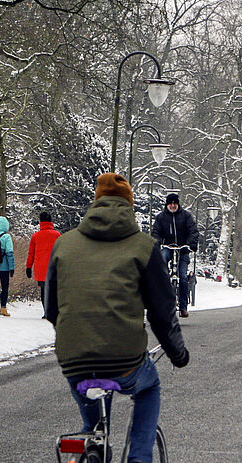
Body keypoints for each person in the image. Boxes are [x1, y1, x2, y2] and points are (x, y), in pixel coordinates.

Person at [45, 173, 188, 463]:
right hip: (125, 361)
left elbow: (50, 307)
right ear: (129, 204)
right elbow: (162, 312)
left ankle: (92, 447)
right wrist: (178, 353)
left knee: (92, 426)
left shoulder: (64, 244)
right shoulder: (144, 247)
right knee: (149, 388)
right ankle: (138, 457)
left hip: (75, 360)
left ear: (96, 202)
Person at [151, 192, 200, 317]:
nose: (172, 205)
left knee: (183, 277)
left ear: (178, 204)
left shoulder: (186, 216)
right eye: (170, 203)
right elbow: (156, 232)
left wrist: (191, 243)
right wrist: (157, 243)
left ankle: (183, 307)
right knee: (162, 262)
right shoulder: (161, 217)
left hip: (183, 249)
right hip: (167, 247)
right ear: (167, 205)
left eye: (174, 203)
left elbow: (193, 231)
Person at [26, 211, 60, 317]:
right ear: (51, 221)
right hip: (54, 268)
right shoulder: (57, 235)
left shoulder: (35, 236)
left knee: (44, 291)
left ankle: (46, 312)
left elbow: (31, 253)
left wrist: (28, 267)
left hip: (40, 269)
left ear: (40, 222)